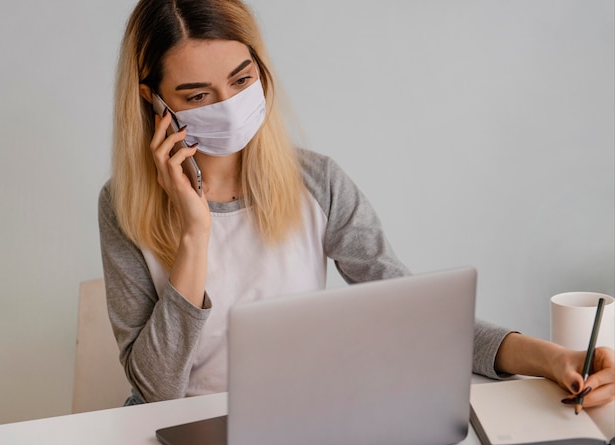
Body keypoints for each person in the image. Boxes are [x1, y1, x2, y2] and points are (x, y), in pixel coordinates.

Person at [98, 0, 615, 408]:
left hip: (298, 416)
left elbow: (418, 316)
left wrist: (551, 358)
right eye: (197, 96)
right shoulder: (122, 207)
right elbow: (156, 390)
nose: (229, 107)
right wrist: (195, 234)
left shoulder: (316, 181)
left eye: (240, 79)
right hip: (182, 423)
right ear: (152, 98)